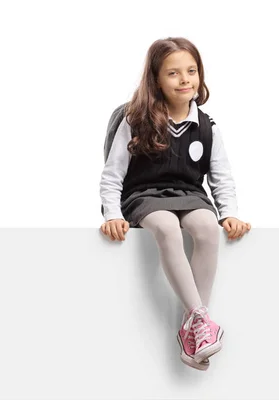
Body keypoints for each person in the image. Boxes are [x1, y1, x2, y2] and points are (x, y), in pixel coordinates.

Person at [99, 37, 250, 371]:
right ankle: (200, 320)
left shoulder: (207, 126)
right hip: (145, 196)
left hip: (190, 195)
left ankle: (194, 331)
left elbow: (221, 176)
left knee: (206, 227)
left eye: (192, 71)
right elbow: (112, 174)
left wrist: (230, 215)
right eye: (173, 73)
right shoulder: (135, 119)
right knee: (166, 226)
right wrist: (112, 214)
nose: (185, 79)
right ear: (155, 80)